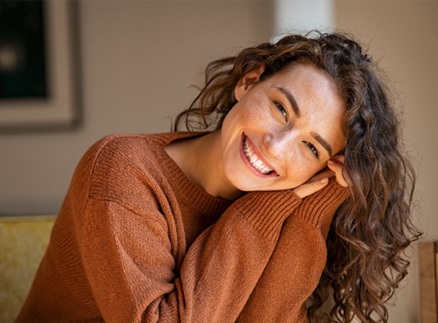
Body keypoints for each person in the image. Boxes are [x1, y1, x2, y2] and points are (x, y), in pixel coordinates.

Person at [16, 31, 421, 323]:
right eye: (281, 109)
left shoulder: (290, 203)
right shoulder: (123, 169)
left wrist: (312, 205)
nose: (275, 147)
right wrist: (265, 208)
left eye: (311, 148)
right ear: (248, 83)